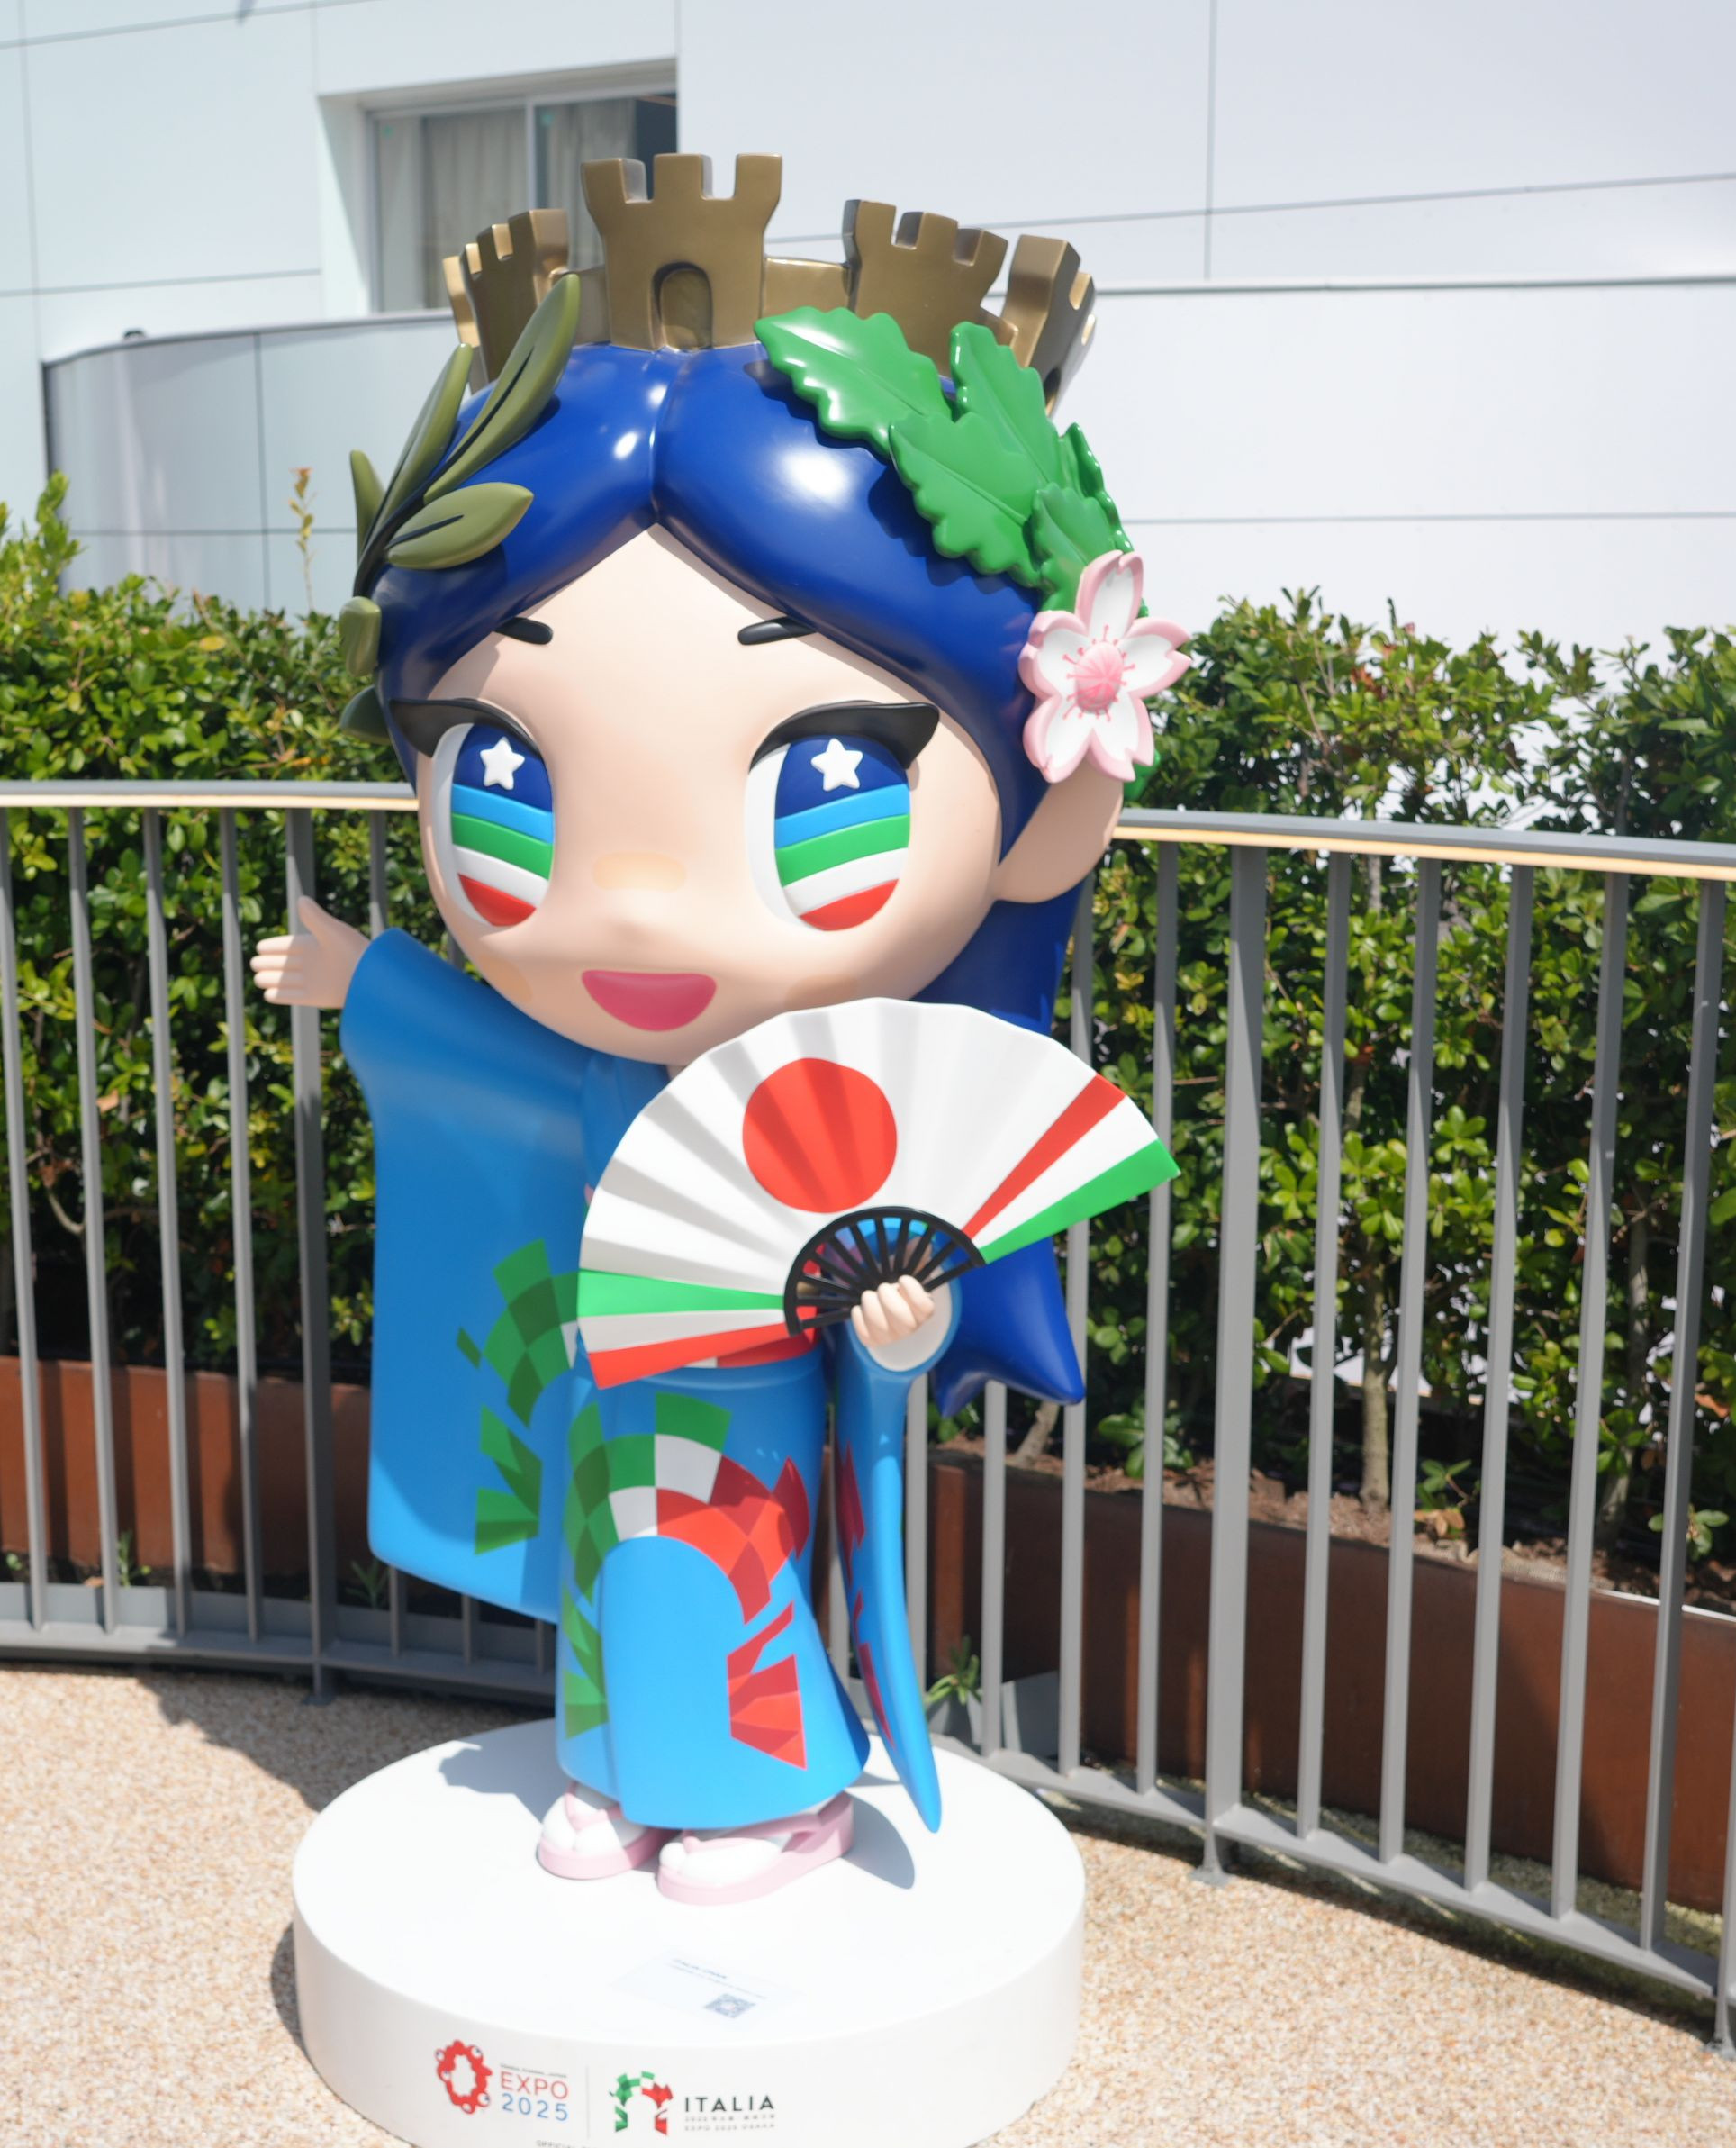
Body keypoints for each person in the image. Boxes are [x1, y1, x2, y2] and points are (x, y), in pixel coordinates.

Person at [256, 157, 1182, 1904]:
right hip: (611, 1377)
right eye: (505, 778)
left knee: (732, 1568)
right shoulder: (605, 1071)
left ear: (1048, 801)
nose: (633, 904)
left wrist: (896, 1336)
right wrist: (367, 975)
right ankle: (616, 1762)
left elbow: (881, 1293)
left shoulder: (856, 1101)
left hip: (755, 1393)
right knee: (619, 1572)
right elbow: (495, 1072)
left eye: (829, 781)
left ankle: (774, 1788)